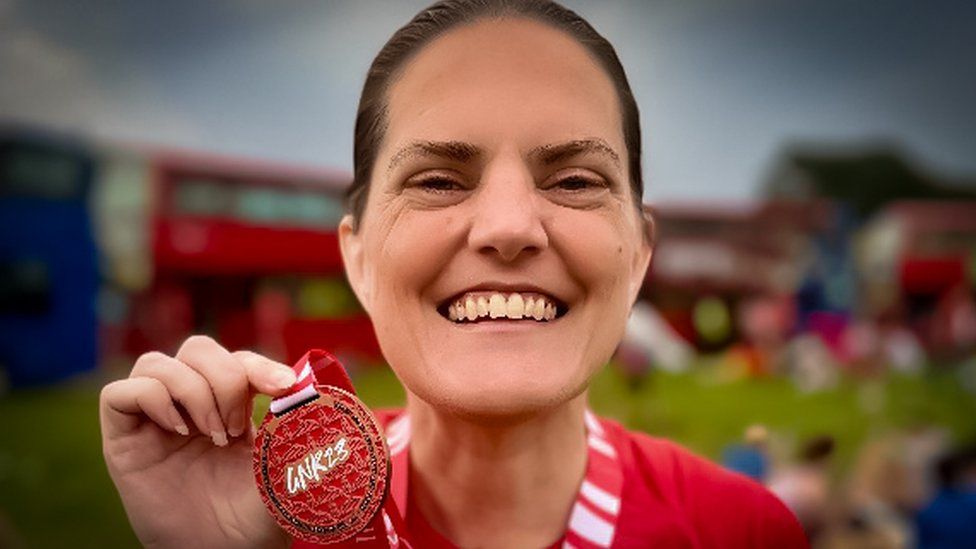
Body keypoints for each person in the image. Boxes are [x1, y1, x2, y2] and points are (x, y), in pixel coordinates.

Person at [99, 1, 807, 547]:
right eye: (437, 180)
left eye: (574, 179)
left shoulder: (743, 529)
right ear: (358, 256)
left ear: (641, 253)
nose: (507, 227)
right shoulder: (280, 510)